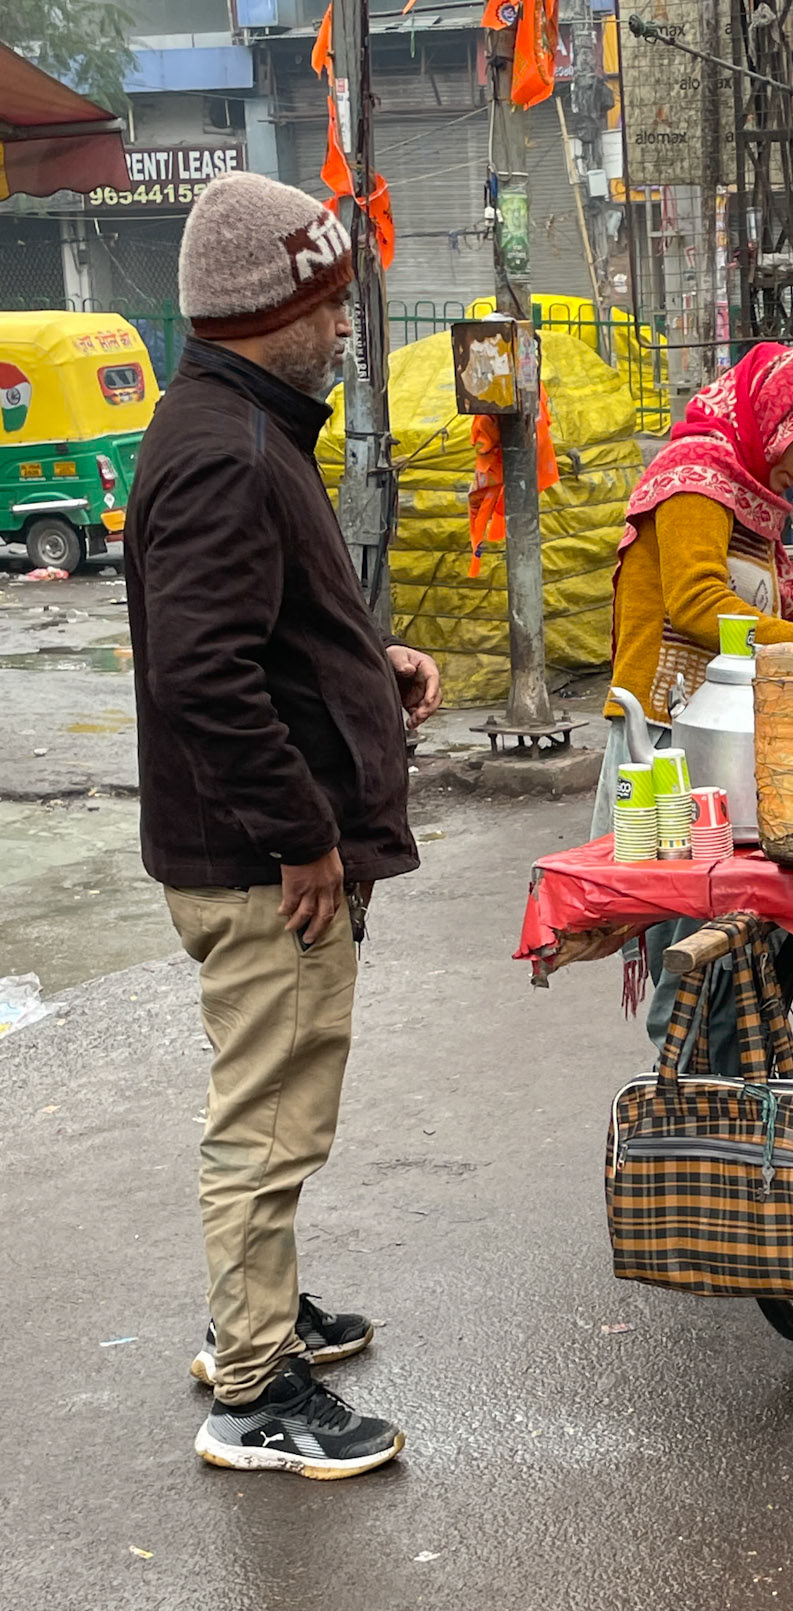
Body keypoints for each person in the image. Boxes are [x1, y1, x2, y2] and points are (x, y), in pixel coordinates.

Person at [125, 171, 443, 1480]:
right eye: (330, 301)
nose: (344, 327)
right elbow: (202, 672)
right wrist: (304, 833)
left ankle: (253, 1317)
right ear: (279, 307)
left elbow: (268, 627)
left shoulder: (239, 425)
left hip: (257, 857)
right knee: (268, 1123)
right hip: (269, 874)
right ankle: (253, 1391)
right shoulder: (231, 448)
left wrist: (375, 663)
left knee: (271, 1108)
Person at [594, 343, 793, 1051]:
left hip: (719, 735)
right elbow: (696, 602)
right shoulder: (696, 479)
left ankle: (723, 1089)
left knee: (731, 927)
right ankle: (686, 1095)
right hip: (671, 739)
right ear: (776, 418)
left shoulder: (748, 496)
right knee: (693, 938)